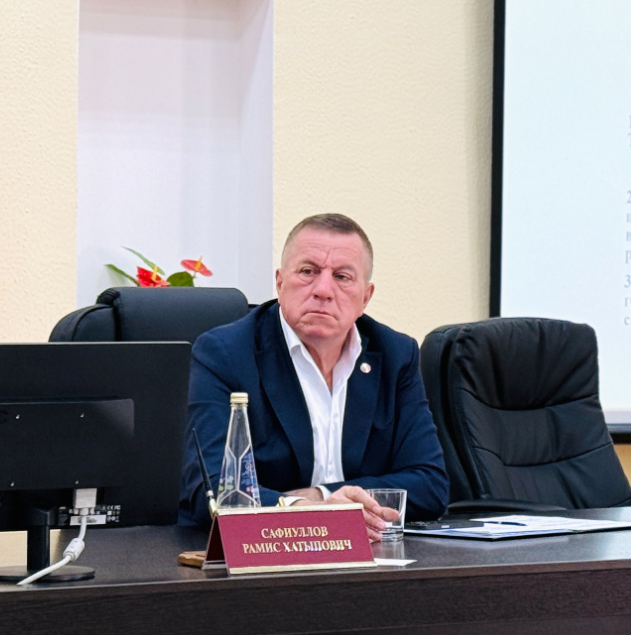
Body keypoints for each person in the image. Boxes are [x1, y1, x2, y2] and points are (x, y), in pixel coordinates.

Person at [180, 214, 448, 538]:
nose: (323, 290)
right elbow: (209, 489)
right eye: (308, 272)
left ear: (365, 297)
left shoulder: (396, 355)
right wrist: (302, 509)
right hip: (261, 550)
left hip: (369, 551)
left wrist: (323, 496)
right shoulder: (225, 353)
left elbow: (431, 485)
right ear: (280, 283)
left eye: (342, 277)